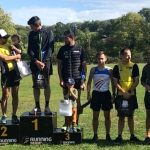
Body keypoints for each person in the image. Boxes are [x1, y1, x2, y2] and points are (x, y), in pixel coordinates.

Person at [57, 30, 86, 126]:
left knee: (76, 102)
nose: (64, 39)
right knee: (66, 102)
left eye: (66, 38)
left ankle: (75, 124)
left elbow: (84, 67)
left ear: (72, 38)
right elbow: (59, 66)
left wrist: (82, 81)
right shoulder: (62, 49)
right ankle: (66, 124)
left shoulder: (80, 49)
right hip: (66, 81)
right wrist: (61, 79)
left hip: (77, 81)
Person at [27, 16, 54, 115]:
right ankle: (37, 107)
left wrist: (44, 61)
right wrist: (36, 61)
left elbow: (50, 49)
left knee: (46, 84)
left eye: (31, 26)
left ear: (36, 25)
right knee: (36, 85)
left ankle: (47, 106)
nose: (31, 28)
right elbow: (29, 50)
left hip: (45, 63)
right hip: (35, 63)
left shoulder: (49, 33)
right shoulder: (31, 34)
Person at [87, 51, 115, 143]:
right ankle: (95, 135)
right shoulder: (93, 70)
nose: (100, 60)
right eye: (99, 58)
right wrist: (88, 94)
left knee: (107, 116)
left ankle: (108, 135)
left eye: (102, 58)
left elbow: (113, 83)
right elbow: (89, 82)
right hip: (96, 94)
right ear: (97, 59)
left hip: (106, 94)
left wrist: (113, 94)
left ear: (106, 59)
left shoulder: (109, 70)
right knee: (95, 116)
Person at [113, 47, 140, 142]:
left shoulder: (134, 66)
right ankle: (119, 136)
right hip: (121, 96)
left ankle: (132, 136)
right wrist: (123, 92)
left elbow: (136, 81)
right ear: (121, 56)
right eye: (126, 55)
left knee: (131, 116)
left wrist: (128, 92)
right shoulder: (117, 67)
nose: (129, 57)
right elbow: (115, 82)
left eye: (130, 55)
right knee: (121, 116)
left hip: (131, 95)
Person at [0, 29, 21, 124]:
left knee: (15, 95)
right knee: (5, 95)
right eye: (4, 37)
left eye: (6, 37)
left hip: (15, 73)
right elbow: (5, 58)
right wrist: (16, 57)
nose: (6, 39)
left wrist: (17, 56)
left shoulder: (9, 46)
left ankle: (14, 115)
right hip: (5, 74)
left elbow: (20, 54)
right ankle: (4, 115)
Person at [141, 50, 150, 143]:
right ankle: (148, 136)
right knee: (148, 116)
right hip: (148, 95)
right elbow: (142, 80)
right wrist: (145, 85)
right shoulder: (146, 67)